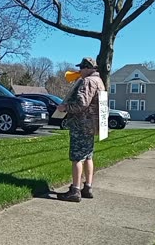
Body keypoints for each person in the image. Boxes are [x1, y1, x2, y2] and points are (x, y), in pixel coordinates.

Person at [56, 57, 105, 202]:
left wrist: (64, 108)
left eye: (81, 68)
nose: (80, 71)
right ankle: (88, 187)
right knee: (88, 156)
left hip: (81, 125)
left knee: (77, 157)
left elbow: (81, 104)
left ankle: (75, 191)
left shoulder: (87, 81)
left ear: (87, 68)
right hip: (92, 125)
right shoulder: (99, 81)